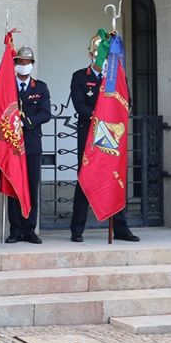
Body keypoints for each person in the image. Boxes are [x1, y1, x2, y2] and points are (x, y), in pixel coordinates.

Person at [69, 35, 139, 242]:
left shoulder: (117, 79)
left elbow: (127, 104)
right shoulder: (80, 76)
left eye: (106, 55)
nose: (103, 59)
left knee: (114, 178)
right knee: (85, 178)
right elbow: (80, 106)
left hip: (111, 137)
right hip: (90, 135)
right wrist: (101, 117)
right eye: (99, 55)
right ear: (91, 55)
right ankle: (77, 229)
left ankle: (121, 228)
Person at [6, 47, 50, 245]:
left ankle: (30, 229)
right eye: (20, 63)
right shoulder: (6, 87)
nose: (23, 66)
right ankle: (15, 230)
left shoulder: (40, 87)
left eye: (27, 63)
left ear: (32, 64)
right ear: (15, 64)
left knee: (32, 188)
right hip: (12, 146)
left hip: (31, 144)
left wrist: (26, 122)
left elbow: (45, 114)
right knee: (14, 187)